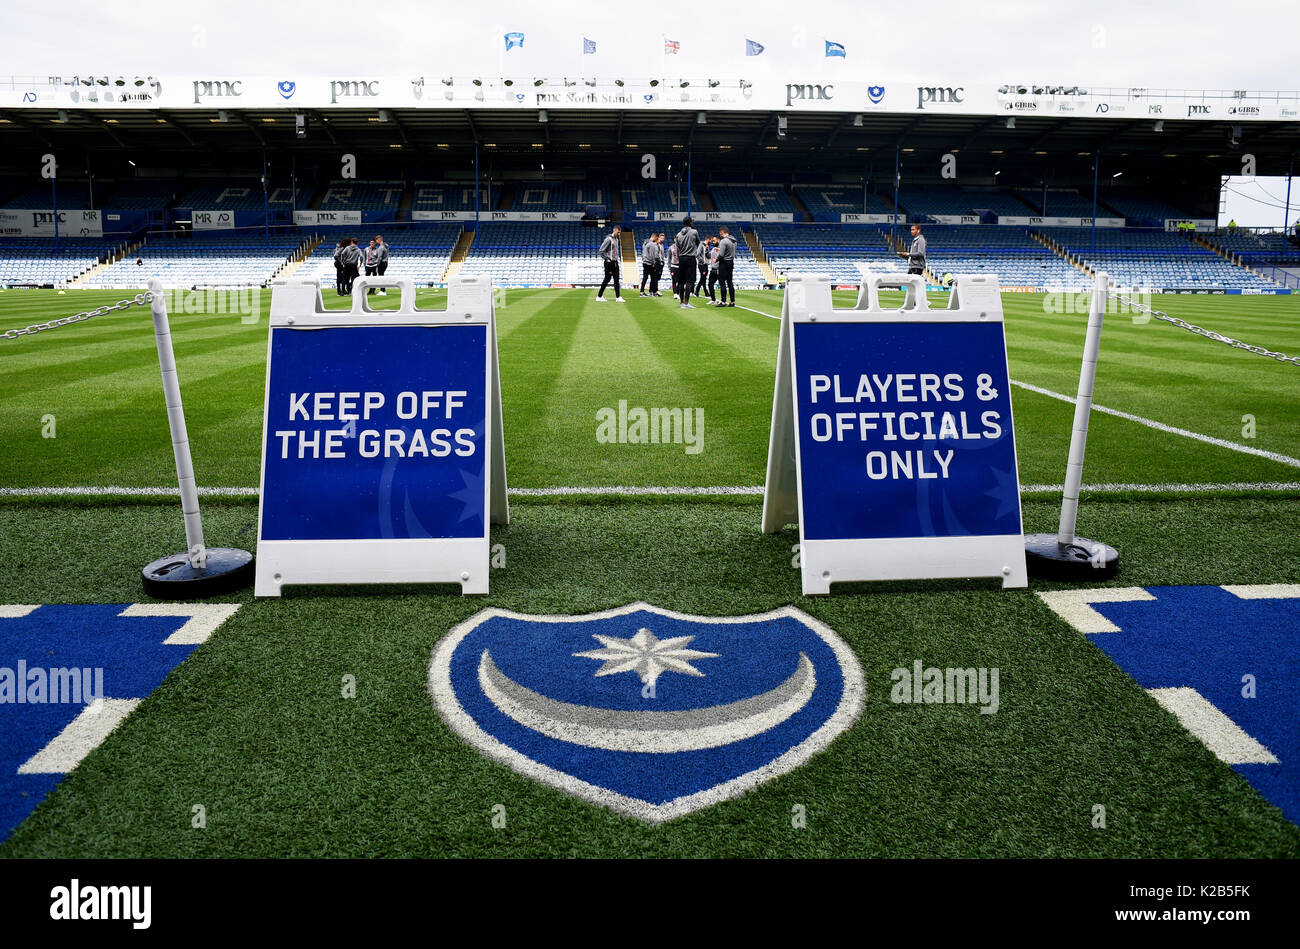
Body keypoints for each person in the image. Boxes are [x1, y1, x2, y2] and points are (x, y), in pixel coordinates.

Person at [674, 216, 700, 308]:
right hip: (690, 258)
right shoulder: (694, 232)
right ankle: (686, 302)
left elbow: (677, 248)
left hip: (681, 258)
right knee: (689, 281)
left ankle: (681, 303)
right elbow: (698, 243)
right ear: (690, 223)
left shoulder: (678, 235)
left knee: (681, 281)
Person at [596, 225, 624, 302]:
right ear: (614, 230)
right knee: (607, 279)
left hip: (615, 262)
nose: (619, 234)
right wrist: (607, 258)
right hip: (609, 263)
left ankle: (618, 297)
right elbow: (601, 250)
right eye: (618, 232)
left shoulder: (617, 240)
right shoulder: (608, 239)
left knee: (616, 280)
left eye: (619, 232)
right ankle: (599, 296)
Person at [715, 226, 737, 307]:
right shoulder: (734, 241)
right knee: (730, 282)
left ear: (722, 232)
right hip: (731, 262)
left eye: (720, 233)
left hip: (724, 263)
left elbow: (721, 254)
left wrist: (716, 260)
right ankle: (732, 301)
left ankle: (723, 301)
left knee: (722, 282)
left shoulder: (723, 241)